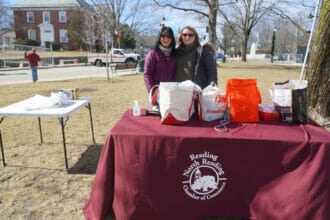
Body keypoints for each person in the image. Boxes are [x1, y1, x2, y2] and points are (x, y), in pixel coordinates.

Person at [144, 26, 176, 93]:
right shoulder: (153, 54)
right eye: (163, 36)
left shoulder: (175, 54)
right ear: (159, 38)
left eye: (169, 36)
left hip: (171, 91)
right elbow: (147, 74)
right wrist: (152, 92)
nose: (166, 39)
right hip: (157, 92)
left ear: (172, 38)